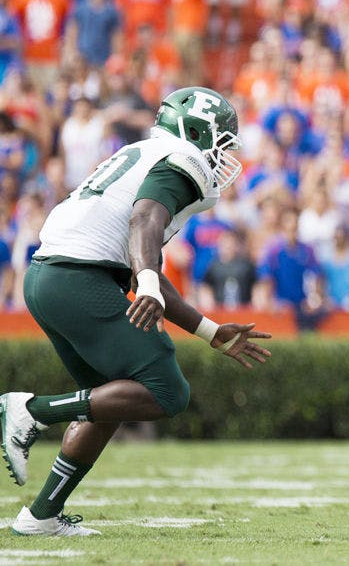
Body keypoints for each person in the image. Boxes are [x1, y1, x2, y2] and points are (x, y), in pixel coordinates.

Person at [0, 86, 272, 537]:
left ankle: (42, 516)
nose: (222, 155)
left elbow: (140, 258)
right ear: (195, 131)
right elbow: (144, 220)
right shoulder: (181, 160)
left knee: (108, 399)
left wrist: (208, 331)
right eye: (219, 140)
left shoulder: (144, 152)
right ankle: (32, 410)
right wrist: (144, 279)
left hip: (51, 277)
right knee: (167, 391)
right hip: (78, 278)